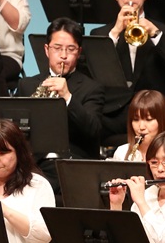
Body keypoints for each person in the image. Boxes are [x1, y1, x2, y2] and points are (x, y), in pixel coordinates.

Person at [90, 0, 165, 136]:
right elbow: (93, 73)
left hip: (152, 112)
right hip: (113, 112)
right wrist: (115, 32)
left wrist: (155, 34)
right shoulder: (100, 34)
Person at [16, 17, 105, 196]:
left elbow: (93, 129)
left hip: (73, 167)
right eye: (57, 48)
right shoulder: (27, 85)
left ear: (79, 52)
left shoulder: (92, 88)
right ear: (46, 50)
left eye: (70, 49)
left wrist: (68, 97)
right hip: (35, 166)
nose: (63, 55)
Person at [109, 89, 165, 162]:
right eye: (136, 119)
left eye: (149, 119)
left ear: (162, 121)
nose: (141, 127)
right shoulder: (121, 153)